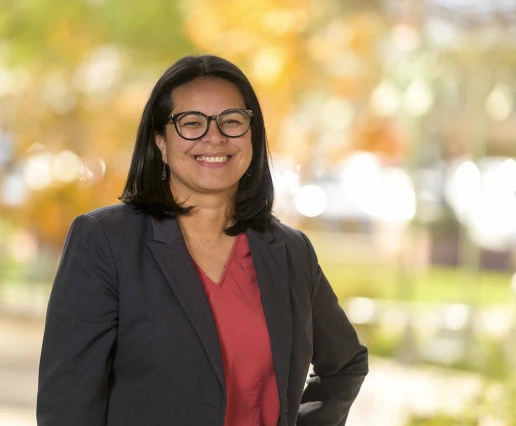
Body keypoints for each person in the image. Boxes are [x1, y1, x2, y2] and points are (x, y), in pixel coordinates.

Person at [37, 54, 368, 426]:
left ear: (252, 135)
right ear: (160, 140)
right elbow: (66, 406)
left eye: (231, 121)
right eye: (191, 122)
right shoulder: (105, 242)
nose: (215, 137)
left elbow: (345, 364)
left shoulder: (291, 253)